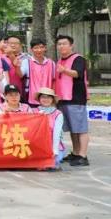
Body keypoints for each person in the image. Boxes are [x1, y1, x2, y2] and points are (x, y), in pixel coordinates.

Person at [55, 35, 90, 166]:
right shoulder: (59, 60)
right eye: (59, 44)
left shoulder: (78, 59)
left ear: (71, 45)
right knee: (72, 128)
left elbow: (77, 73)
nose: (61, 46)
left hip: (76, 98)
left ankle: (83, 155)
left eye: (64, 43)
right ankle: (75, 153)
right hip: (63, 98)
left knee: (81, 128)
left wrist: (64, 70)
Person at [35, 87, 69, 168]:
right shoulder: (33, 111)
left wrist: (55, 150)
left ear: (52, 99)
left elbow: (57, 133)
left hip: (53, 145)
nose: (46, 99)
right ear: (39, 99)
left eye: (49, 97)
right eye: (43, 97)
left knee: (53, 162)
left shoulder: (58, 113)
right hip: (37, 146)